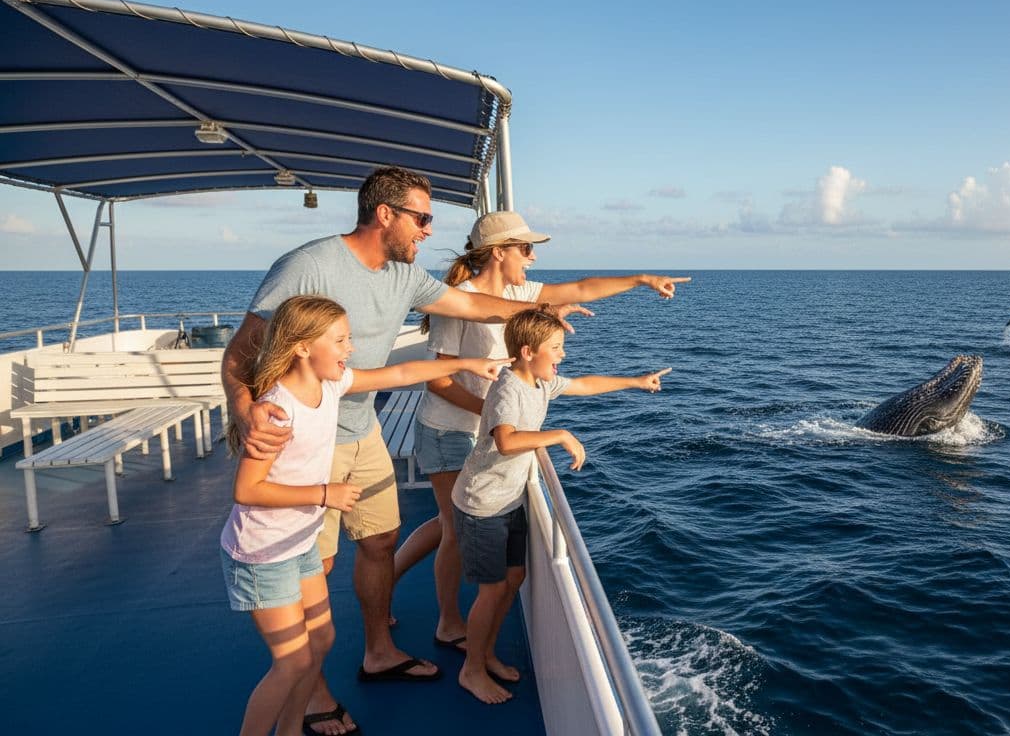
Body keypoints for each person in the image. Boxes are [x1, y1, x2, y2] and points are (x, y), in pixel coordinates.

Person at [221, 166, 585, 736]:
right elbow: (240, 353)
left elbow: (474, 310)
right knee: (315, 568)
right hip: (305, 447)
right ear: (384, 213)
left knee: (381, 540)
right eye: (422, 218)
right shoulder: (307, 266)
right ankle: (311, 692)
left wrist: (535, 320)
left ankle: (379, 651)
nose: (429, 230)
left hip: (360, 426)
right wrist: (246, 414)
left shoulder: (402, 276)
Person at [392, 209, 690, 651]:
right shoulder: (459, 300)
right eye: (525, 249)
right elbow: (439, 380)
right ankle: (447, 622)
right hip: (449, 428)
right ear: (498, 253)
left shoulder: (524, 293)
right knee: (453, 526)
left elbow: (583, 287)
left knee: (448, 522)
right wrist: (497, 417)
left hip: (486, 430)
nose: (532, 259)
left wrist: (643, 279)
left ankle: (389, 577)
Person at [219, 294, 510, 736]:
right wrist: (324, 493)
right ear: (301, 347)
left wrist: (465, 365)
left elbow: (401, 372)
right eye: (339, 340)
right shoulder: (279, 410)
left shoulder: (328, 386)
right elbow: (247, 489)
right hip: (264, 553)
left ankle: (291, 729)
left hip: (298, 544)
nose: (349, 348)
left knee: (322, 641)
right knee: (293, 659)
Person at [452, 307, 671, 703]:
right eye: (555, 347)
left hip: (510, 498)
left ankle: (485, 654)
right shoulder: (509, 389)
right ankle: (471, 670)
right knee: (492, 589)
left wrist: (635, 381)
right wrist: (560, 434)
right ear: (526, 351)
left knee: (513, 580)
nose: (562, 355)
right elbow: (506, 441)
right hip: (482, 504)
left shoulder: (539, 382)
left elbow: (584, 385)